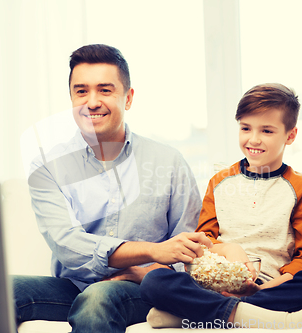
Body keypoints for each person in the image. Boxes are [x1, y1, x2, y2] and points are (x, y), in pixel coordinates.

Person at [12, 44, 213, 333]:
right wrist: (153, 251)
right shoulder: (47, 166)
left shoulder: (168, 161)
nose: (92, 102)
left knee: (98, 299)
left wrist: (143, 272)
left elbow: (188, 249)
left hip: (145, 288)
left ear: (128, 98)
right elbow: (67, 244)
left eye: (105, 90)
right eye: (81, 91)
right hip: (73, 287)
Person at [140, 83, 302, 329]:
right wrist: (228, 247)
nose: (254, 139)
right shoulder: (219, 182)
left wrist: (271, 284)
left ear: (290, 135)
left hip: (270, 284)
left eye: (267, 131)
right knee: (155, 280)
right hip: (216, 283)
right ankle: (276, 319)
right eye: (245, 128)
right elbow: (204, 239)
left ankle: (197, 314)